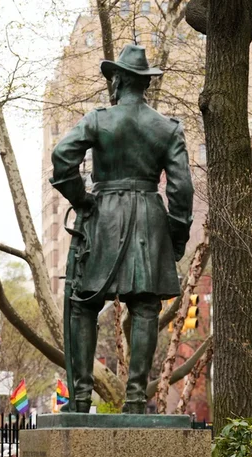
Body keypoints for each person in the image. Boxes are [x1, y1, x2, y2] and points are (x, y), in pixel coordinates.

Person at [50, 44, 194, 414]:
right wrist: (175, 239)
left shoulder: (99, 120)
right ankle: (134, 399)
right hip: (149, 216)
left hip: (104, 215)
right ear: (143, 84)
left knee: (84, 304)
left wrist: (81, 199)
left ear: (119, 81)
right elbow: (181, 190)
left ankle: (80, 398)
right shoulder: (167, 128)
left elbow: (62, 156)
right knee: (145, 307)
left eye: (112, 79)